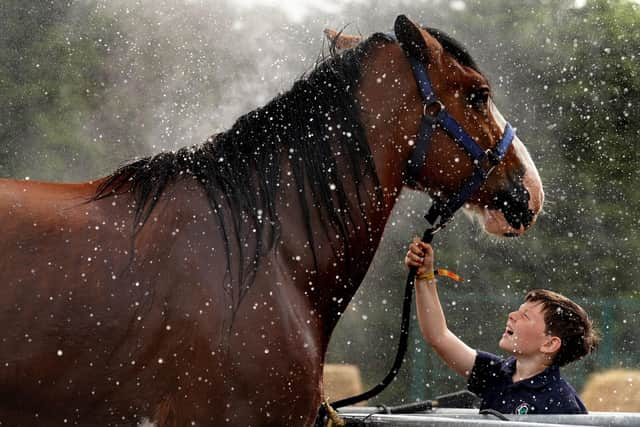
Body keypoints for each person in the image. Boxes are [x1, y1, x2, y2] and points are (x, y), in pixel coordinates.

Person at [405, 238, 600, 415]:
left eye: (525, 316)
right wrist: (424, 277)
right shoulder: (496, 373)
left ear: (549, 344)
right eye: (518, 310)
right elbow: (438, 337)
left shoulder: (561, 403)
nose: (512, 315)